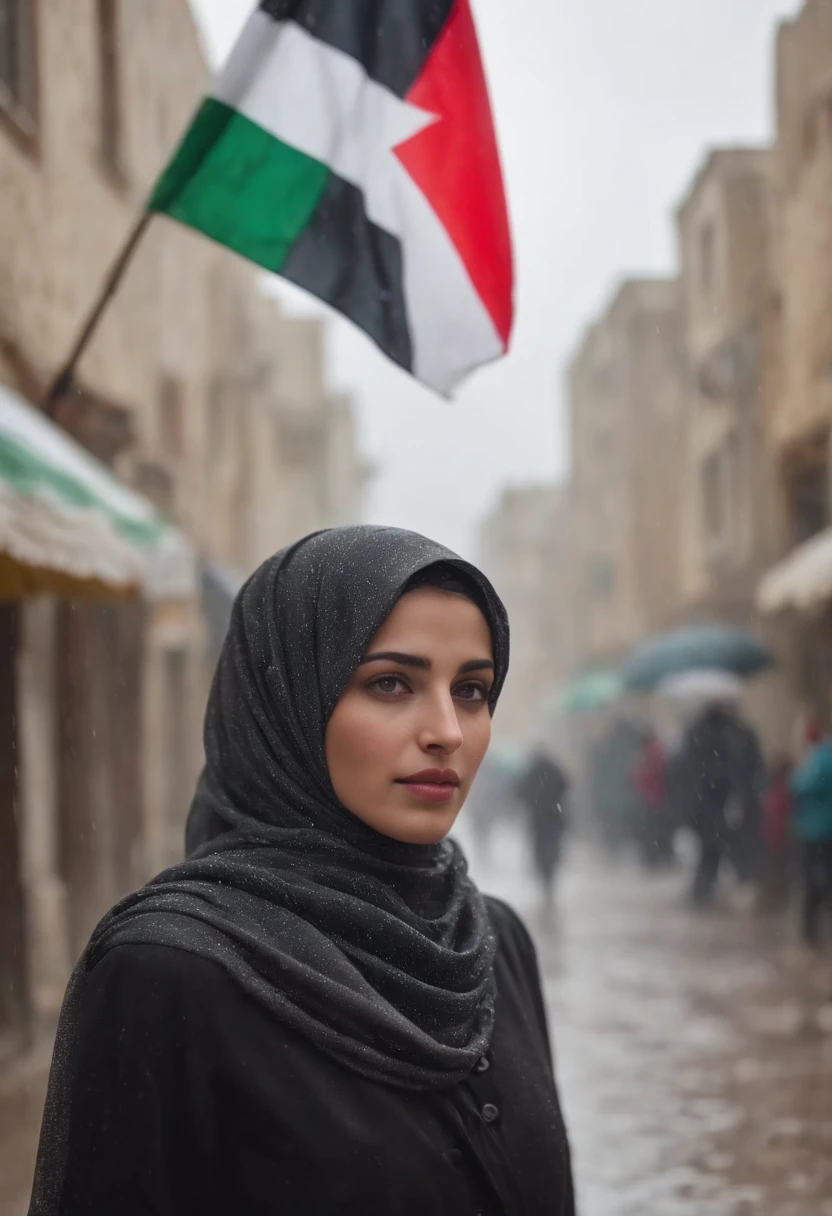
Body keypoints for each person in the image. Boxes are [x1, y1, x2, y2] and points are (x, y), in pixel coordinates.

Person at [29, 526, 575, 1216]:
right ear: (286, 703)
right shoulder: (168, 974)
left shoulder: (492, 943)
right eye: (390, 683)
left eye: (471, 689)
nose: (448, 730)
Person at [677, 699, 763, 906]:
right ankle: (707, 889)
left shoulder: (698, 733)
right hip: (718, 802)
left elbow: (686, 771)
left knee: (712, 848)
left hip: (708, 804)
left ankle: (705, 890)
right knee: (718, 848)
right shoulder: (732, 734)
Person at [789, 726, 832, 947]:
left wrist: (797, 772)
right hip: (824, 830)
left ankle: (810, 935)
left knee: (813, 882)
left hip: (816, 830)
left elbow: (801, 786)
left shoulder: (822, 757)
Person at [515, 747, 570, 908]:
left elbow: (519, 792)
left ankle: (545, 879)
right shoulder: (554, 769)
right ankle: (549, 879)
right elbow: (566, 786)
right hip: (554, 817)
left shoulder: (531, 772)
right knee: (552, 849)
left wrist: (532, 803)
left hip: (538, 819)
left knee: (540, 851)